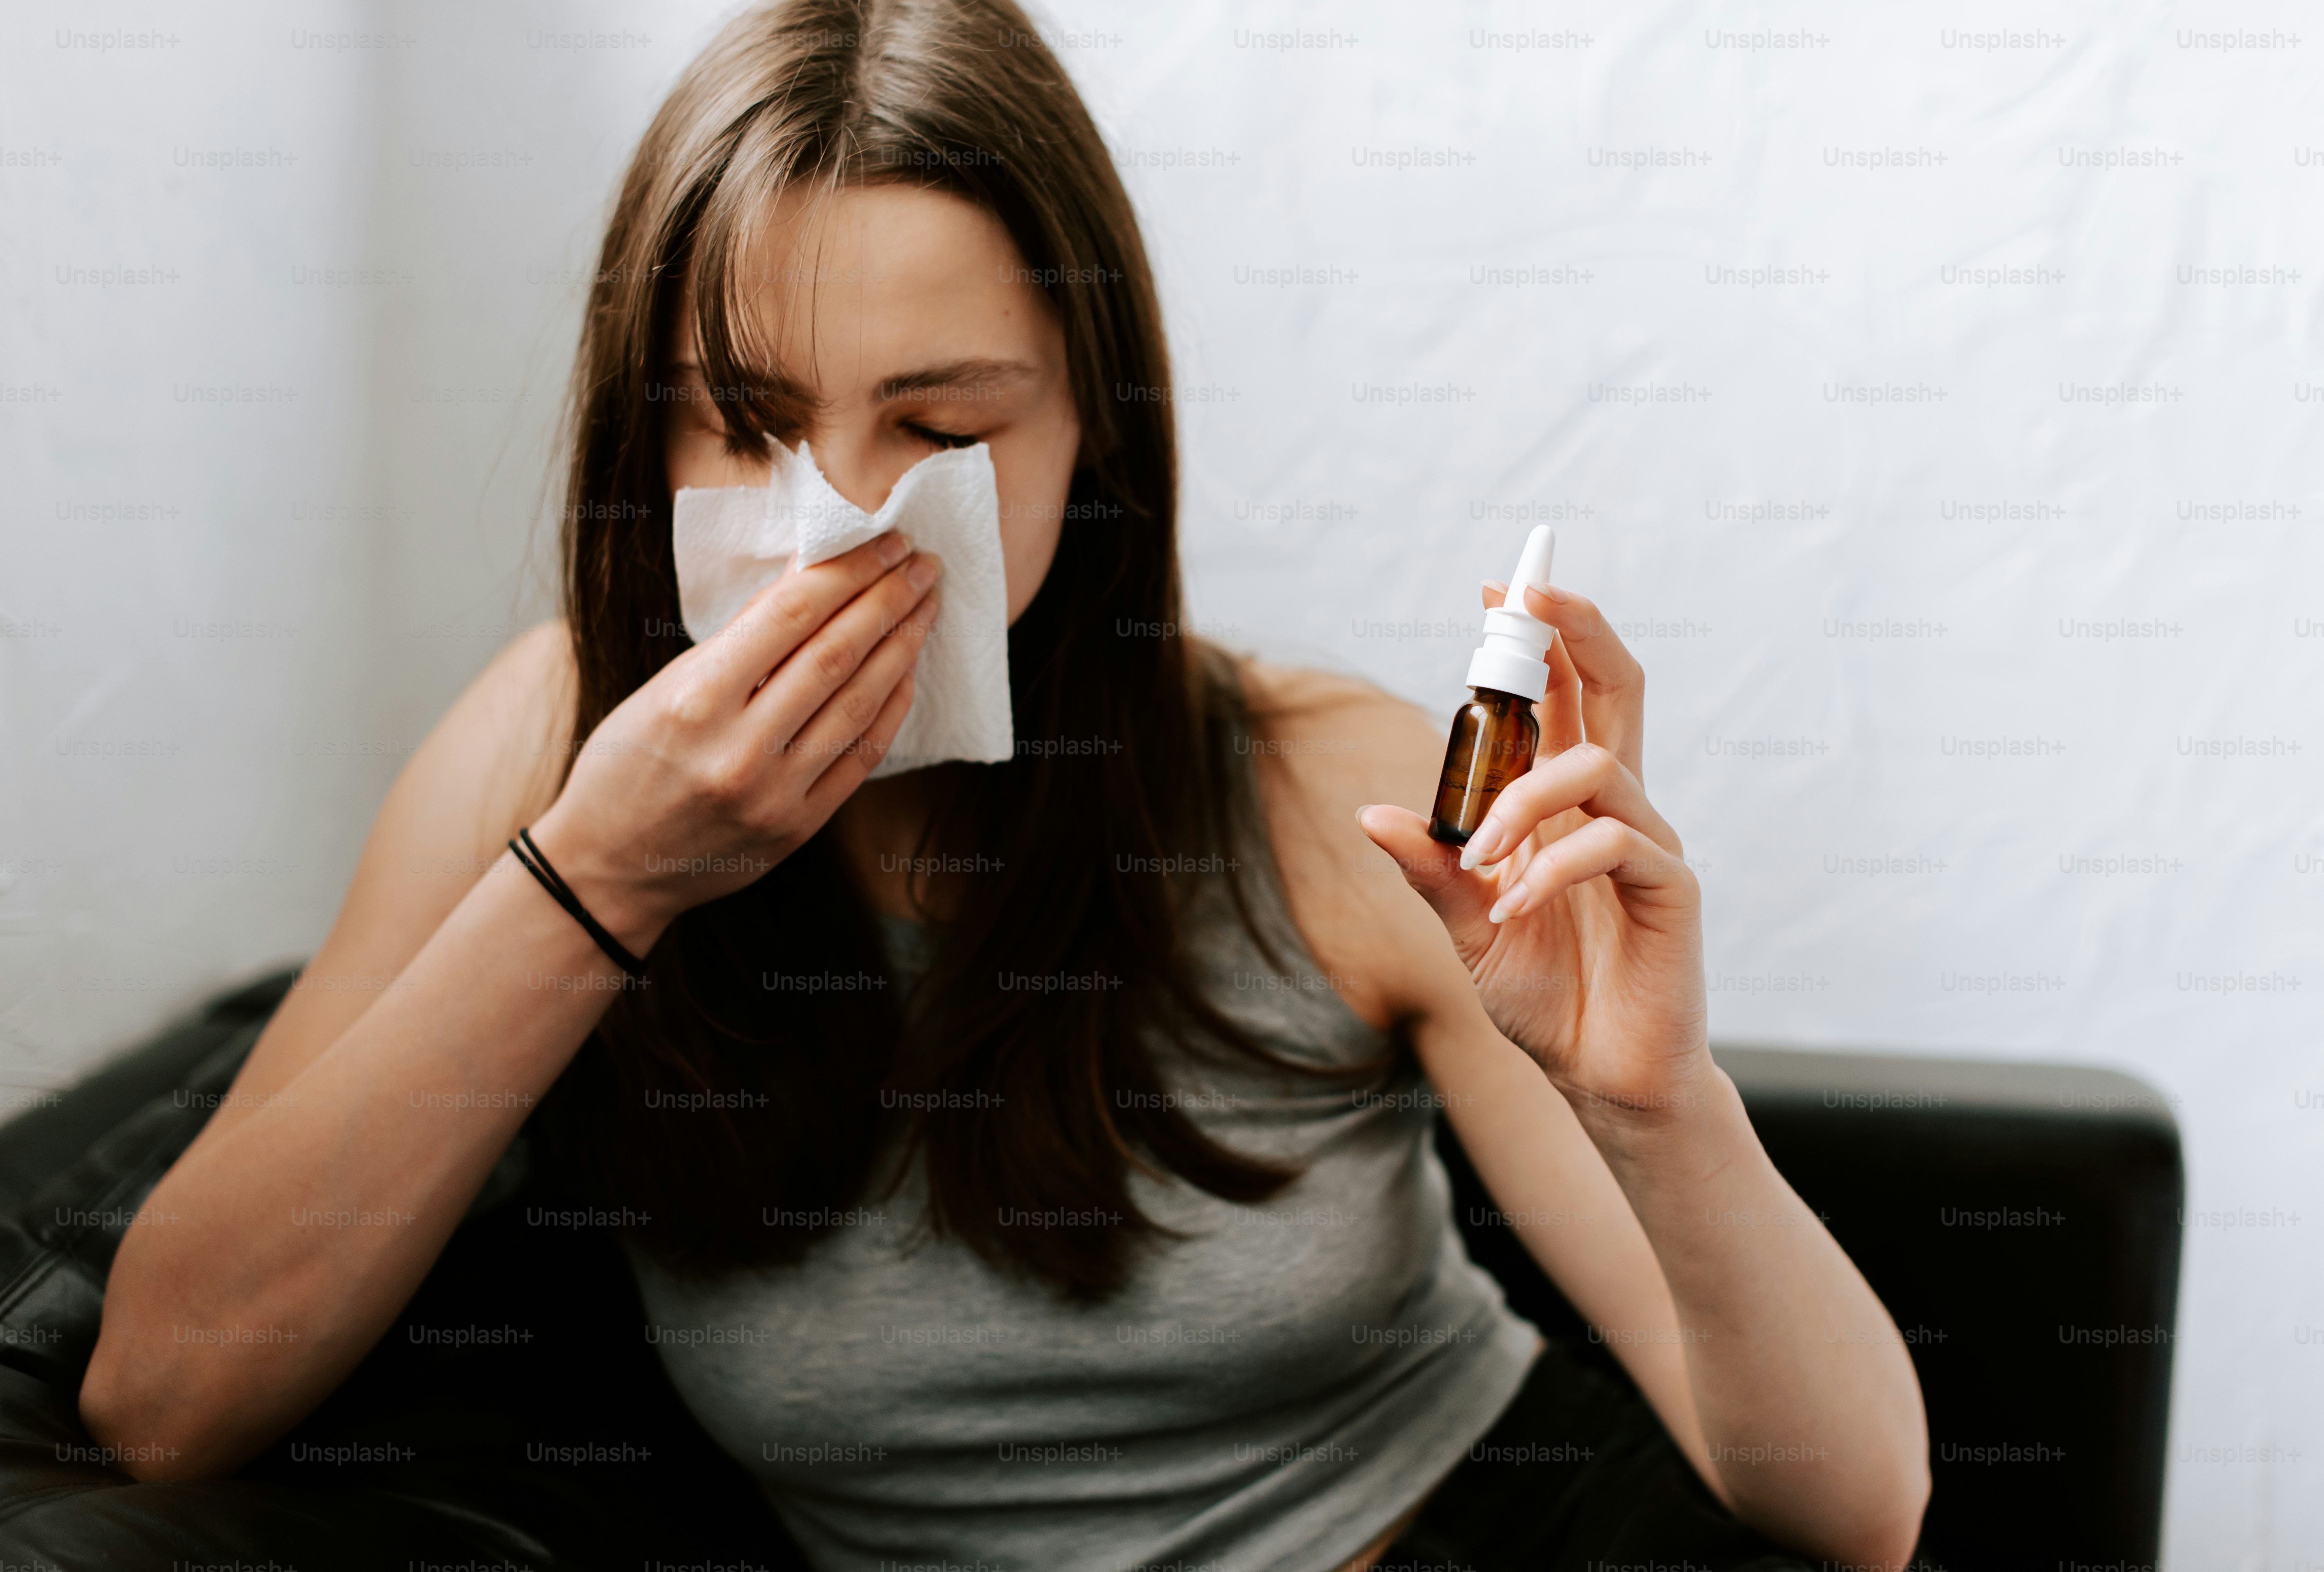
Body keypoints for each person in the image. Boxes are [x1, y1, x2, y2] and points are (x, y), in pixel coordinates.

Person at [82, 3, 1930, 1567]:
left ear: (1085, 428)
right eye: (741, 418)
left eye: (941, 431)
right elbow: (160, 1393)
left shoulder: (1322, 789)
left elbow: (1859, 1509)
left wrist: (1657, 1104)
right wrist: (606, 881)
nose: (829, 524)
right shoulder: (547, 746)